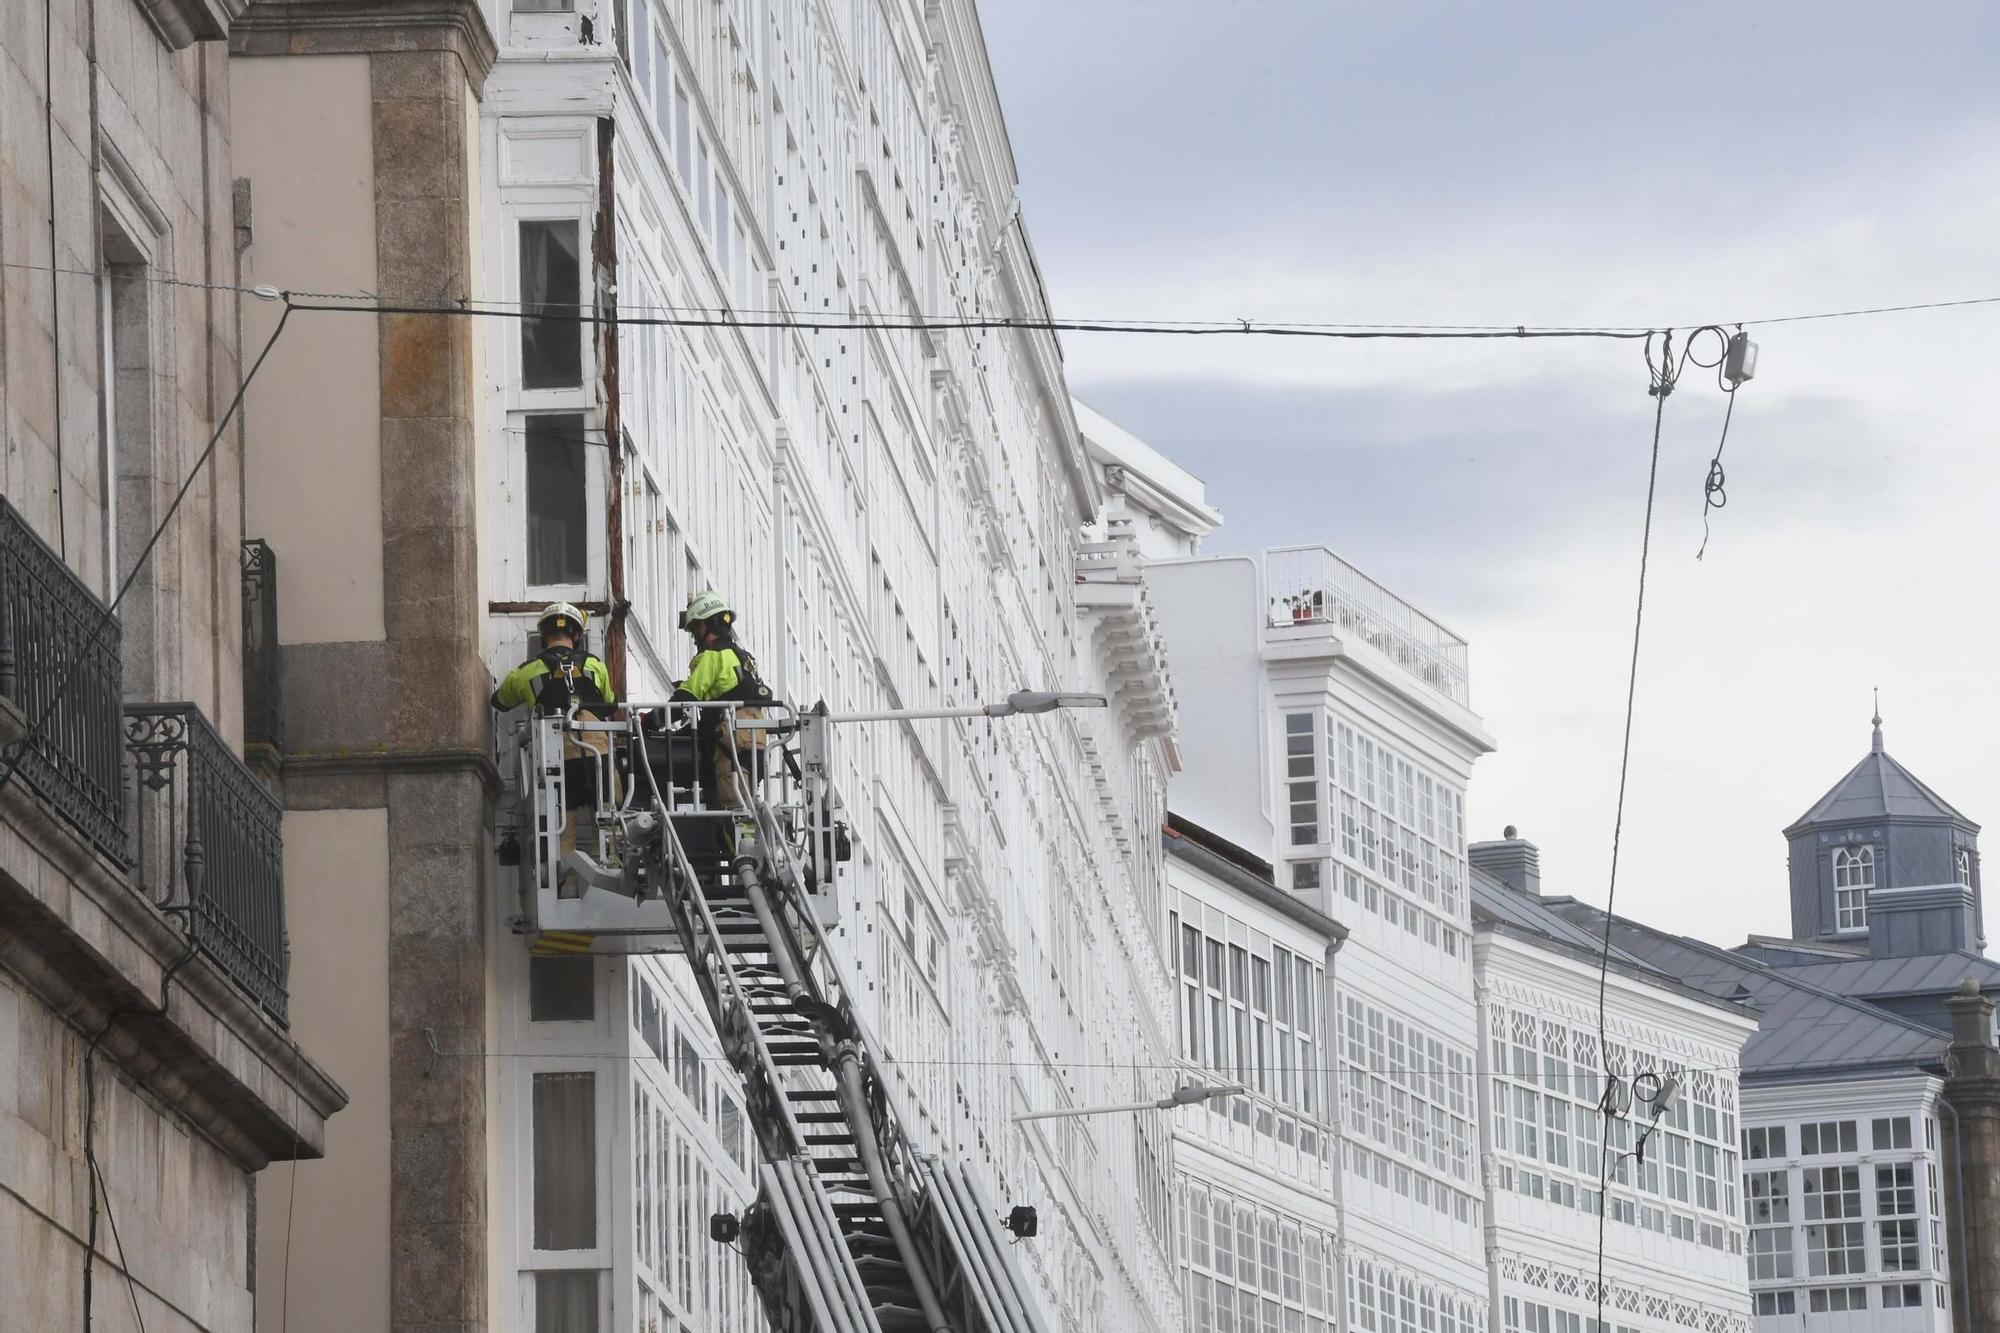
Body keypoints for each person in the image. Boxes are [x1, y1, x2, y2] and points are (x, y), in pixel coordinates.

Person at [492, 603, 616, 882]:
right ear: (576, 635)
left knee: (562, 833)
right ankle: (609, 874)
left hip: (556, 760)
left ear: (544, 636)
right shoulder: (595, 665)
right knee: (608, 823)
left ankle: (567, 885)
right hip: (599, 755)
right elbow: (608, 703)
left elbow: (500, 701)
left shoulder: (528, 671)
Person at [669, 590, 773, 821]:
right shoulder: (744, 658)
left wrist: (651, 720)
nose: (696, 637)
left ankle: (744, 852)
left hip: (730, 739)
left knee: (733, 809)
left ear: (705, 627)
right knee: (740, 802)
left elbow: (686, 697)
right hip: (755, 741)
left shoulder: (713, 657)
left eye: (696, 629)